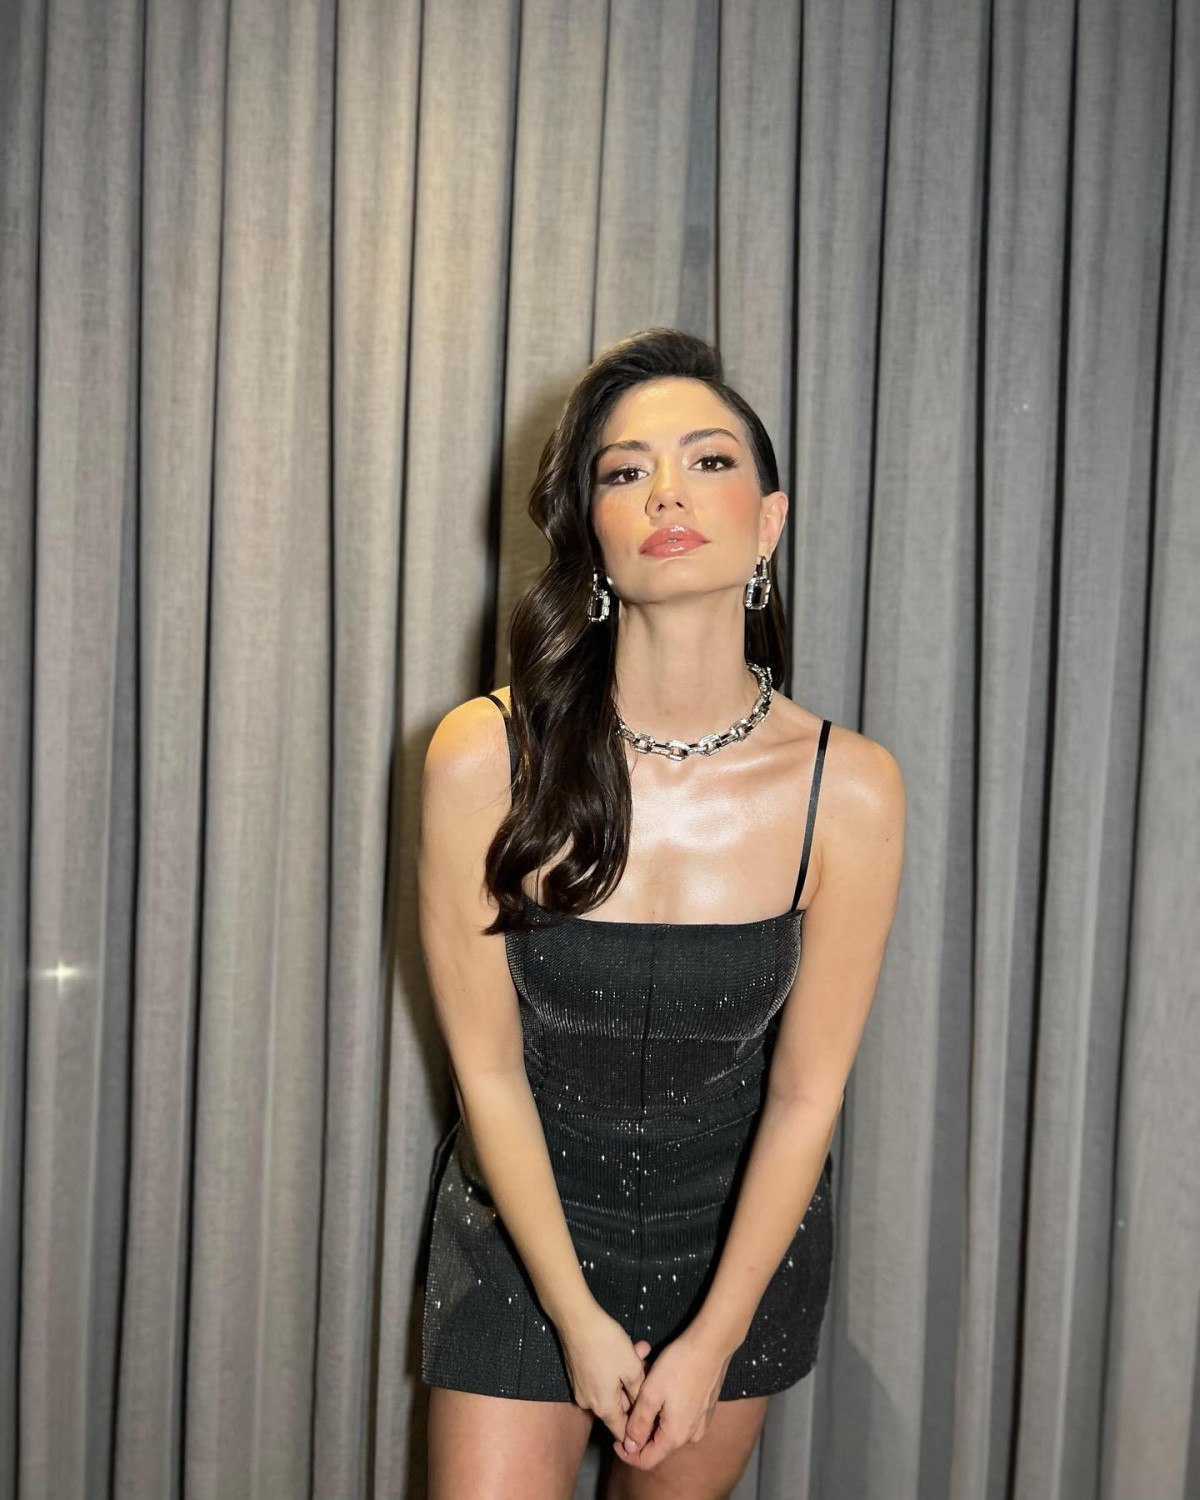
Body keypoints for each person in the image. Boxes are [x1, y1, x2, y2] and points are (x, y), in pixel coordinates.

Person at [417, 328, 905, 1499]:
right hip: (523, 1237)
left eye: (708, 460)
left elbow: (807, 1095)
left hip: (734, 1260)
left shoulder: (850, 789)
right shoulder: (483, 756)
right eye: (625, 471)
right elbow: (486, 1071)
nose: (667, 492)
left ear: (768, 524)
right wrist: (575, 1318)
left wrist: (713, 1337)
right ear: (591, 529)